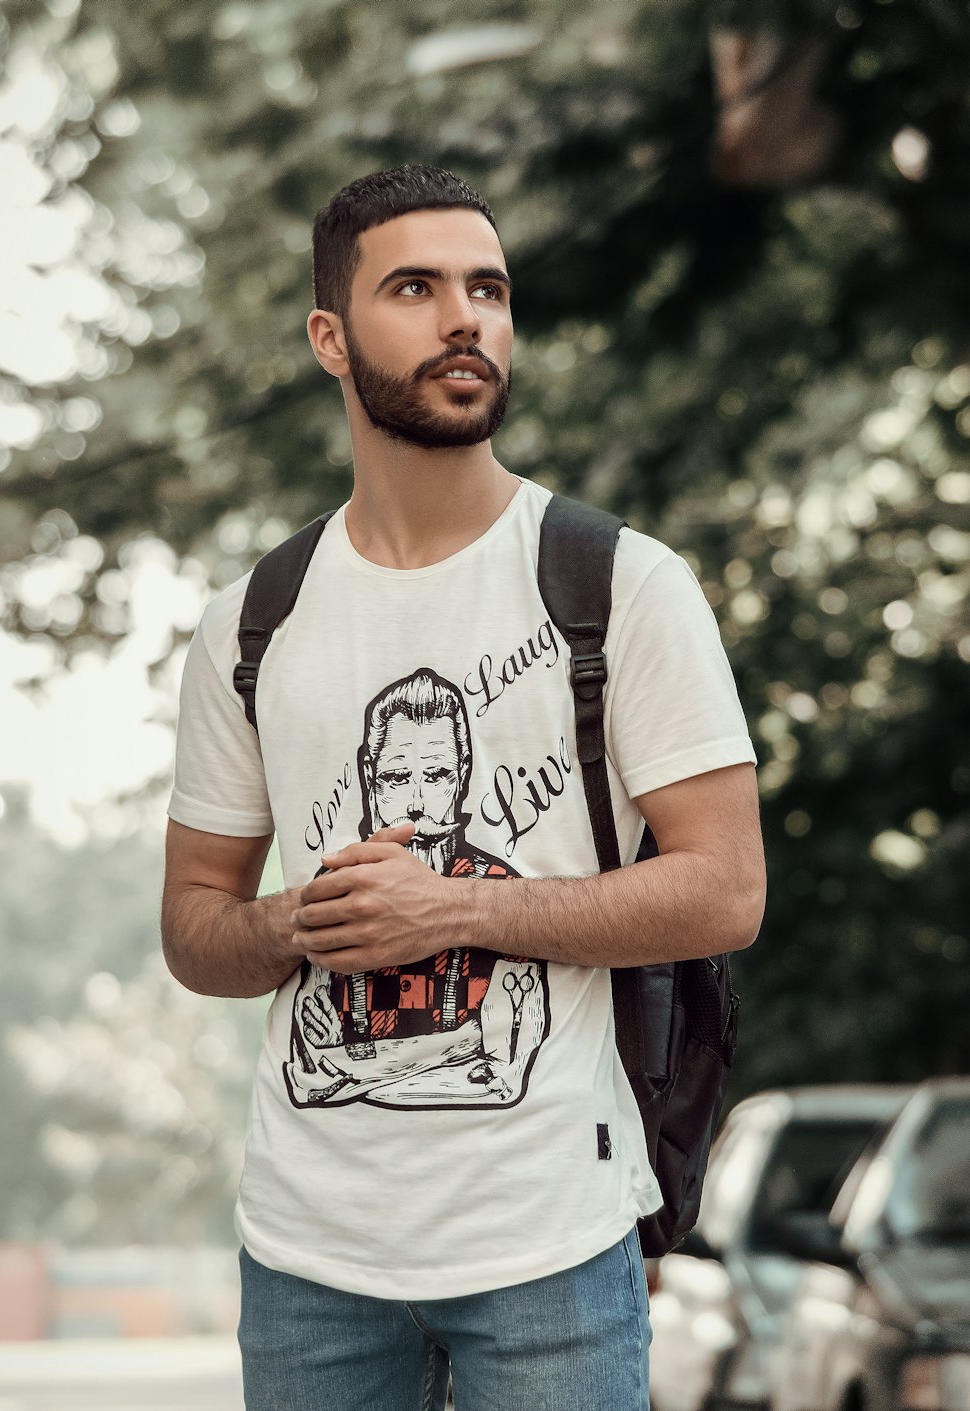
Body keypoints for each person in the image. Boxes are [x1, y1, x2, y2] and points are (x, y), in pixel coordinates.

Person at [162, 163, 766, 1411]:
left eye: (487, 288)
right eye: (415, 287)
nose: (464, 319)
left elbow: (723, 891)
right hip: (306, 1258)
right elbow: (193, 929)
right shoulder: (252, 624)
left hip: (549, 1242)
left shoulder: (622, 585)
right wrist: (292, 924)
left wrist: (452, 910)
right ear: (330, 337)